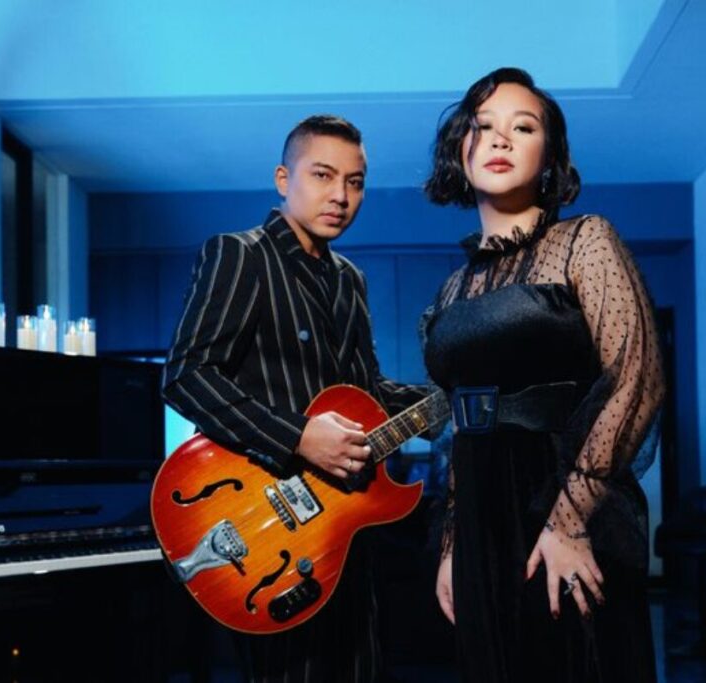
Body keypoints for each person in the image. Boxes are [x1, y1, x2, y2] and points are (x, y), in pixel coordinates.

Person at [162, 114, 428, 683]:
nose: (341, 196)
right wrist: (299, 436)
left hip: (343, 525)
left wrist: (445, 399)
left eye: (355, 182)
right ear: (284, 179)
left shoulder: (350, 279)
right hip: (265, 529)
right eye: (323, 175)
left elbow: (367, 391)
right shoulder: (240, 255)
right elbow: (186, 375)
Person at [422, 67, 665, 682]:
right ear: (459, 150)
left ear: (549, 156)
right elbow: (458, 424)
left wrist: (570, 519)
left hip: (562, 499)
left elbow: (636, 379)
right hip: (479, 518)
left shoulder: (586, 241)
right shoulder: (452, 289)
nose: (500, 139)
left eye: (523, 127)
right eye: (483, 126)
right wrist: (453, 544)